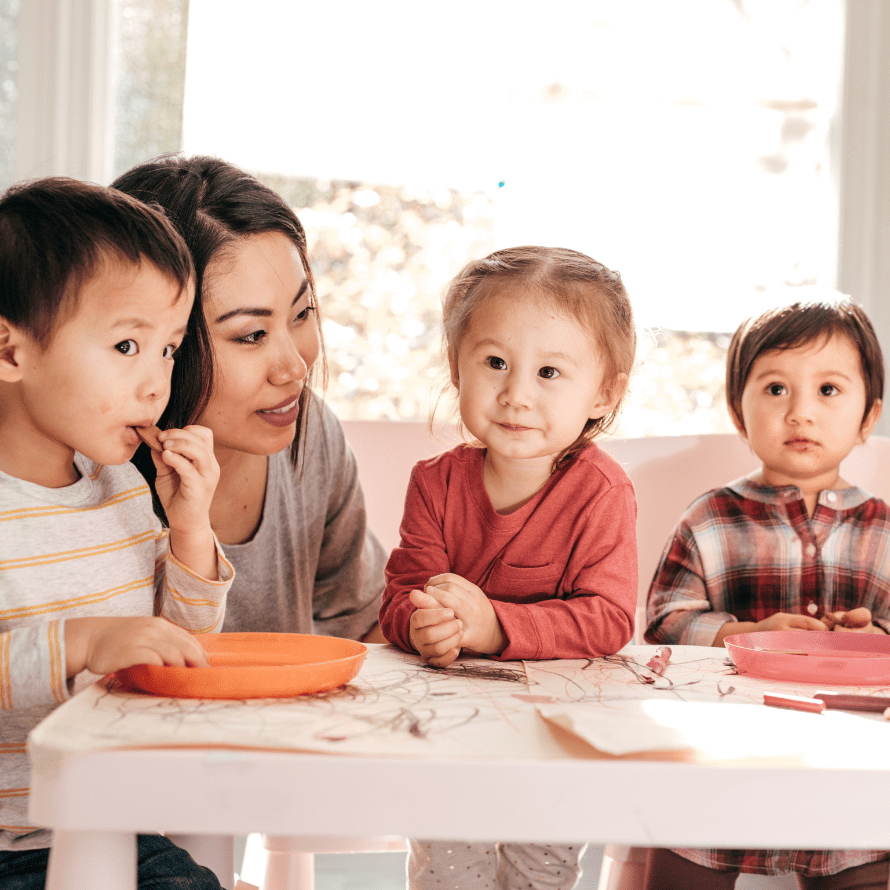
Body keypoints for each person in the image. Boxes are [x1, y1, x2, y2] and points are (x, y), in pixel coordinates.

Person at [378, 245, 638, 890]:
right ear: (456, 367)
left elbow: (607, 619)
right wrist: (420, 626)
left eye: (550, 372)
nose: (516, 393)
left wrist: (494, 627)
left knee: (539, 875)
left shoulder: (603, 493)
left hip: (560, 735)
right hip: (448, 731)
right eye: (495, 362)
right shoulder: (435, 484)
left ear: (604, 391)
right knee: (447, 872)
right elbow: (399, 596)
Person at [0, 178, 234, 889]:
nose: (156, 383)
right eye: (127, 344)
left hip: (116, 825)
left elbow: (180, 651)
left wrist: (190, 530)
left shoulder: (123, 489)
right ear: (10, 352)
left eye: (167, 349)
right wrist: (82, 644)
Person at [643, 297, 889, 889]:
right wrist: (742, 634)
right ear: (738, 410)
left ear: (868, 416)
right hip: (720, 757)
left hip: (849, 770)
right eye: (776, 389)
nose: (801, 412)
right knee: (682, 846)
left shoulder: (883, 529)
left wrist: (874, 638)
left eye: (828, 390)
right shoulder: (710, 517)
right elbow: (665, 623)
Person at [112, 156, 386, 642]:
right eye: (252, 334)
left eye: (303, 313)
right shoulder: (85, 475)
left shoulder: (313, 433)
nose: (296, 368)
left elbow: (364, 629)